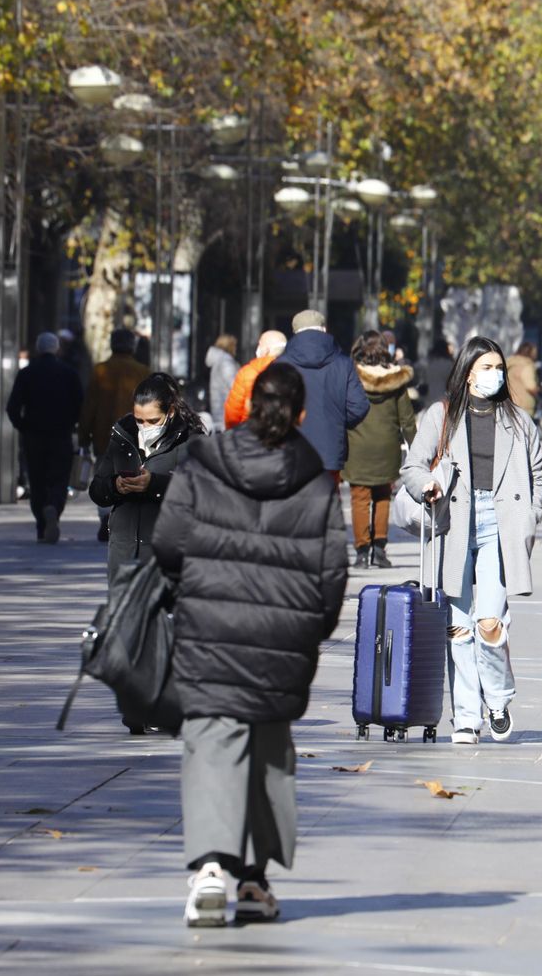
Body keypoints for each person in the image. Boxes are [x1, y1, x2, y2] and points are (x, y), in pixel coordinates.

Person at [151, 363, 346, 927]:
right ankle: (255, 882)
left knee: (213, 741)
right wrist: (313, 627)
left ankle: (212, 868)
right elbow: (332, 569)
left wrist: (192, 583)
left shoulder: (203, 463)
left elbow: (167, 542)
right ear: (301, 413)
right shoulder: (315, 477)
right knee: (269, 754)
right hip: (281, 640)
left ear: (244, 405)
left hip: (209, 626)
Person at [402, 337, 542, 744]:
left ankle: (498, 698)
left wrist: (530, 518)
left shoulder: (518, 420)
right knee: (459, 627)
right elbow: (412, 465)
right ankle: (466, 717)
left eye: (498, 367)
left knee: (488, 623)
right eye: (487, 367)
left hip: (500, 524)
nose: (496, 374)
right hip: (453, 520)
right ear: (468, 374)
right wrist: (426, 484)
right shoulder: (442, 416)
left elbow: (538, 474)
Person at [89, 372, 204, 584]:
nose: (145, 427)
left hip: (165, 551)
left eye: (153, 421)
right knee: (122, 613)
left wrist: (154, 484)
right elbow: (97, 490)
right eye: (139, 420)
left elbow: (199, 492)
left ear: (170, 412)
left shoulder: (190, 438)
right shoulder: (124, 434)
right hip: (123, 551)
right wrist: (116, 486)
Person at [343, 331, 417, 569]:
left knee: (359, 499)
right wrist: (417, 451)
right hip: (387, 447)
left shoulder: (349, 377)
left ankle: (362, 551)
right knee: (383, 497)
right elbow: (406, 419)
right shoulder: (395, 380)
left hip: (357, 445)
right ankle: (379, 549)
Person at [7, 332, 84, 544]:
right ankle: (54, 506)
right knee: (59, 478)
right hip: (61, 434)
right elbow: (81, 405)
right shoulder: (69, 373)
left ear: (38, 349)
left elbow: (12, 407)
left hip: (34, 435)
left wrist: (23, 427)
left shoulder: (27, 373)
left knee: (37, 480)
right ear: (57, 349)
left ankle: (42, 526)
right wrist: (74, 425)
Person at [274, 309, 368, 475]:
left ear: (295, 332)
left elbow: (271, 407)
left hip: (290, 448)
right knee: (327, 498)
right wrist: (337, 422)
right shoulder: (343, 363)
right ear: (324, 330)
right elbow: (358, 406)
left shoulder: (279, 365)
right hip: (330, 449)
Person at [80, 328, 150, 542]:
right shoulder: (143, 371)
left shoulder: (100, 371)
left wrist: (84, 435)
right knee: (131, 475)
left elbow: (89, 406)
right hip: (135, 435)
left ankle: (105, 517)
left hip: (104, 433)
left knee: (104, 476)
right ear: (132, 346)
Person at [223, 330, 287, 430]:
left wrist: (234, 434)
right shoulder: (291, 372)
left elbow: (233, 412)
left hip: (248, 432)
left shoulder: (246, 372)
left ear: (266, 350)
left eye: (259, 344)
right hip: (281, 433)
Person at [203, 334, 239, 428]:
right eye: (234, 345)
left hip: (220, 410)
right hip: (227, 411)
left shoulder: (219, 361)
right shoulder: (226, 362)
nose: (236, 348)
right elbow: (235, 386)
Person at [506, 341, 540, 417]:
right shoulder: (527, 365)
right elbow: (530, 386)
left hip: (510, 403)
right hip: (523, 406)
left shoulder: (510, 364)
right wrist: (539, 392)